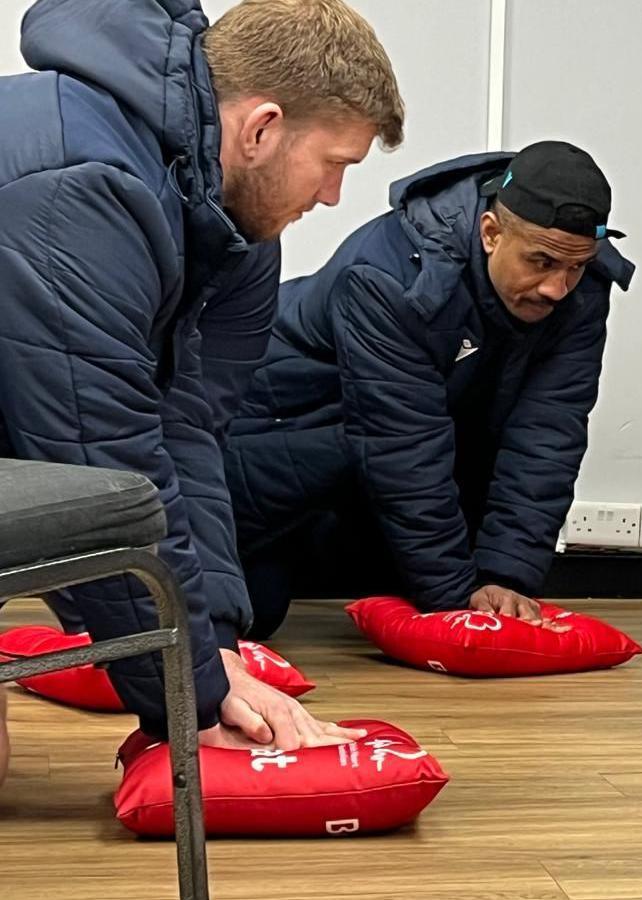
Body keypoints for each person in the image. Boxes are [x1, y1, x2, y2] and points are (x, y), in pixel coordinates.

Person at [0, 0, 405, 783]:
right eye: (336, 163)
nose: (333, 198)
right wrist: (188, 694)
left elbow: (187, 429)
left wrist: (212, 643)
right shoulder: (82, 189)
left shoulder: (234, 226)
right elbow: (100, 462)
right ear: (260, 128)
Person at [225, 142, 633, 636]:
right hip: (280, 435)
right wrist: (454, 602)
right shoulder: (390, 275)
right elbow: (402, 445)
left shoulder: (580, 289)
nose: (557, 287)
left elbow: (549, 431)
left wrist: (504, 577)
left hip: (368, 453)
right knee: (252, 610)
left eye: (575, 267)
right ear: (490, 233)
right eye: (541, 262)